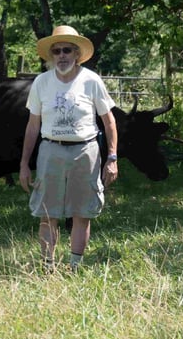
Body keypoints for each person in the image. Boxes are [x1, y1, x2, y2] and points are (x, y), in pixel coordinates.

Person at [19, 25, 118, 272]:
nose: (62, 55)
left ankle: (74, 267)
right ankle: (48, 268)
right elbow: (33, 126)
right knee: (47, 213)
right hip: (50, 151)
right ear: (51, 55)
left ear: (77, 54)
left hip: (86, 151)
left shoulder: (91, 80)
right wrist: (24, 164)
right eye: (57, 51)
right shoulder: (41, 82)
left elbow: (109, 121)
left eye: (67, 50)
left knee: (81, 213)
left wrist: (112, 157)